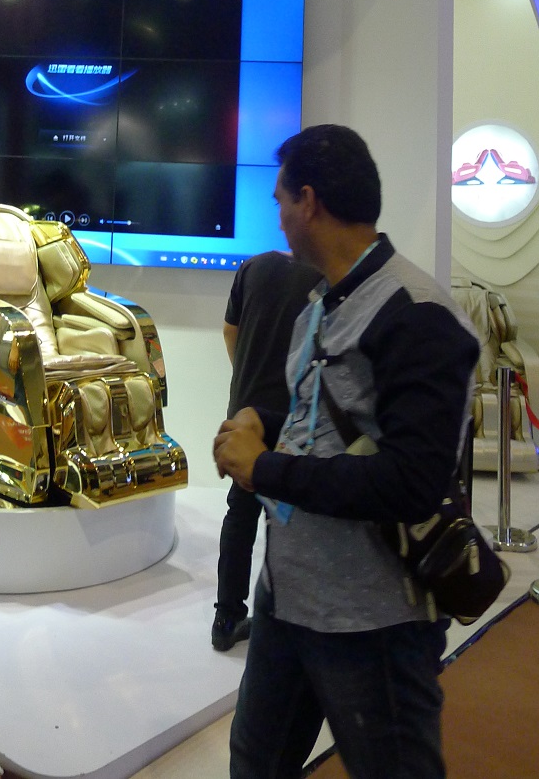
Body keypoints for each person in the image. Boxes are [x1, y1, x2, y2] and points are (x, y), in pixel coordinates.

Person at [213, 125, 480, 779]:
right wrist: (263, 421)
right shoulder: (318, 305)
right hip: (287, 600)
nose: (277, 217)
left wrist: (264, 467)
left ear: (308, 201)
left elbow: (412, 481)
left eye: (280, 201)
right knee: (254, 765)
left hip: (374, 623)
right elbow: (327, 429)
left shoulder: (418, 314)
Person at [213, 250, 320, 652]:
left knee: (240, 514)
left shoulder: (252, 267)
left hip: (247, 410)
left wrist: (246, 380)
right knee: (295, 517)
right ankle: (291, 621)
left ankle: (226, 617)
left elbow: (230, 332)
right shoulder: (324, 278)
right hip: (296, 418)